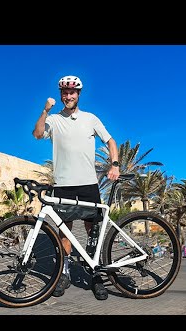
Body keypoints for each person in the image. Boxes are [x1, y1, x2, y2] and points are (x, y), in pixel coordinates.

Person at [32, 75, 120, 301]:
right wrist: (45, 110)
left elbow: (110, 141)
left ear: (78, 94)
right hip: (63, 185)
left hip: (89, 184)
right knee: (65, 231)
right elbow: (38, 133)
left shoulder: (91, 119)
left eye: (72, 92)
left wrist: (115, 164)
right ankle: (64, 274)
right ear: (61, 95)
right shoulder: (53, 119)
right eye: (64, 92)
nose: (68, 96)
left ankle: (96, 274)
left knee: (93, 232)